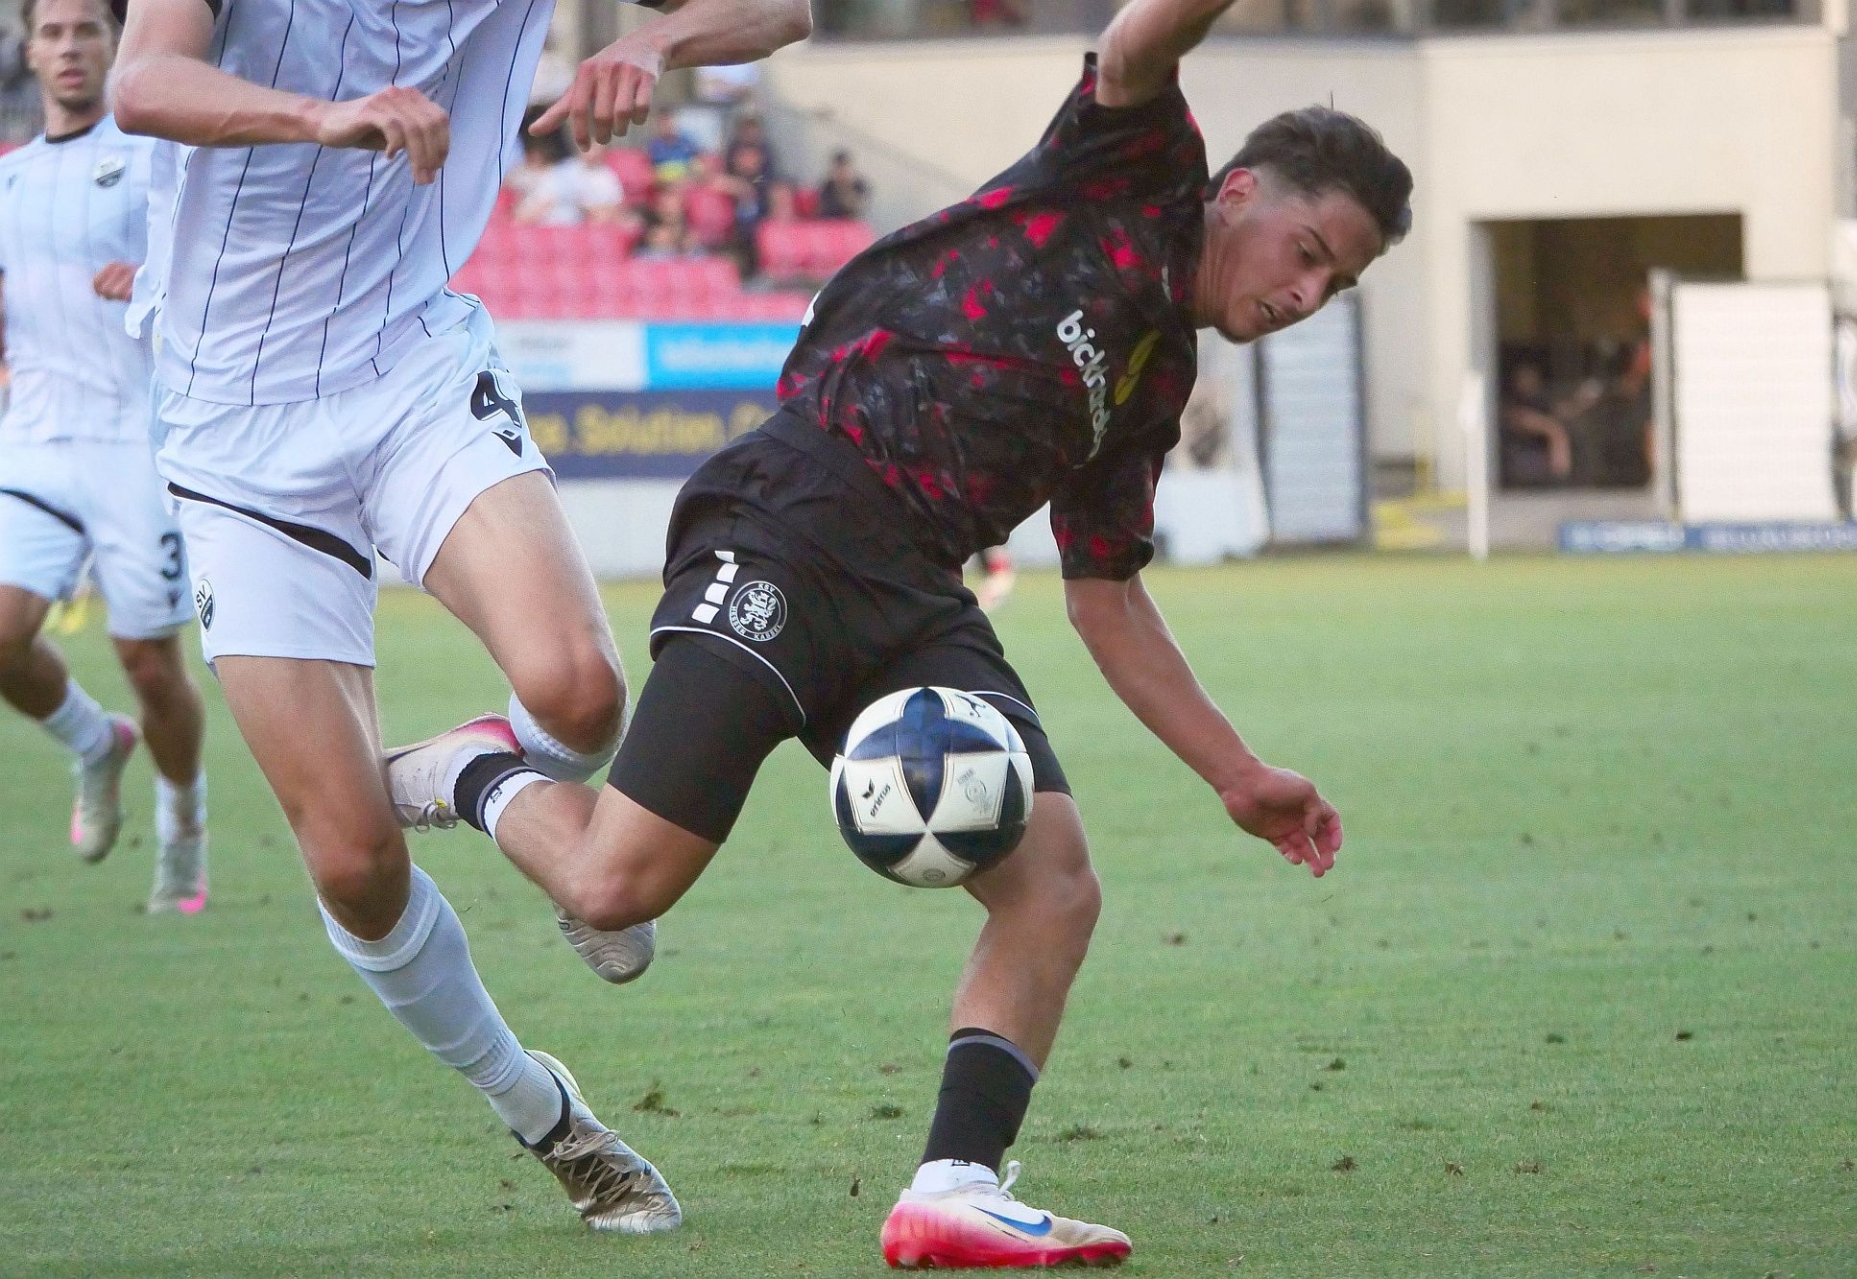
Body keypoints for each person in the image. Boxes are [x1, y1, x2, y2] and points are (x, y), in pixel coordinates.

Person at [392, 0, 1404, 1261]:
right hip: (795, 512)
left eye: (1336, 282)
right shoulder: (1136, 169)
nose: (1306, 292)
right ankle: (474, 768)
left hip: (916, 592)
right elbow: (1143, 39)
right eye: (1307, 251)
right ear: (1239, 191)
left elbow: (1105, 596)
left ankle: (955, 1183)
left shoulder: (1158, 381)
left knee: (1054, 883)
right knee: (614, 888)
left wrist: (1237, 774)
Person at [108, 0, 809, 1234]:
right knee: (352, 862)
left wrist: (653, 43)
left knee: (581, 695)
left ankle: (466, 772)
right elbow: (143, 84)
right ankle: (549, 1117)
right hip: (233, 429)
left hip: (410, 366)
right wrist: (325, 117)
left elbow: (785, 10)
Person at [0, 0, 209, 915]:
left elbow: (217, 264)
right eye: (52, 32)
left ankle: (184, 825)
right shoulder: (9, 181)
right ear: (29, 51)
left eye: (87, 28)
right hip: (34, 440)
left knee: (150, 663)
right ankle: (94, 741)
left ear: (116, 42)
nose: (69, 47)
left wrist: (158, 277)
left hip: (134, 443)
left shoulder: (156, 155)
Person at [644, 106, 703, 184]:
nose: (667, 126)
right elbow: (649, 173)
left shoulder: (687, 145)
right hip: (663, 187)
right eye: (663, 123)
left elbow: (698, 170)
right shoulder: (653, 147)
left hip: (686, 186)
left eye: (669, 121)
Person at [816, 147, 870, 220]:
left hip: (851, 225)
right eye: (838, 168)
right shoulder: (827, 186)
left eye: (844, 168)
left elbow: (856, 211)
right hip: (831, 223)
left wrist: (845, 188)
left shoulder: (860, 186)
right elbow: (822, 212)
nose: (841, 172)